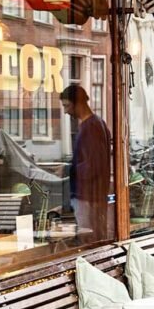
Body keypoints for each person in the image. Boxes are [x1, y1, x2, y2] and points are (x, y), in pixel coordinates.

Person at [60, 84, 111, 239]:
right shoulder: (99, 124)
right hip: (93, 196)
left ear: (79, 103)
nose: (66, 111)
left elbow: (93, 165)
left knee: (88, 238)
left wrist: (67, 170)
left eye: (67, 105)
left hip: (87, 197)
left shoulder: (90, 127)